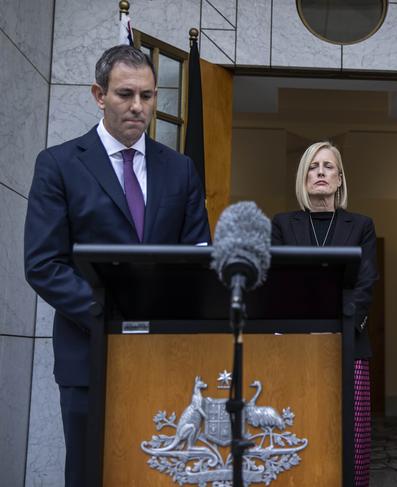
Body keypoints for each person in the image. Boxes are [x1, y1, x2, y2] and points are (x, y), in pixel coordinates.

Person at [24, 45, 211, 486]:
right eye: (125, 94)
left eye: (147, 96)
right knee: (92, 472)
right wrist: (112, 315)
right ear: (98, 94)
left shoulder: (181, 170)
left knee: (159, 474)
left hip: (164, 354)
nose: (138, 107)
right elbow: (43, 263)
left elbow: (198, 259)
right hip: (88, 352)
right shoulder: (59, 165)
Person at [271, 141, 378, 486]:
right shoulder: (283, 224)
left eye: (328, 166)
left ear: (340, 179)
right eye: (313, 166)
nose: (320, 172)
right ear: (304, 178)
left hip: (350, 343)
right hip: (297, 345)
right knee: (299, 426)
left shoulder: (360, 225)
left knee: (352, 436)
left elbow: (366, 282)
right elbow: (276, 281)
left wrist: (341, 327)